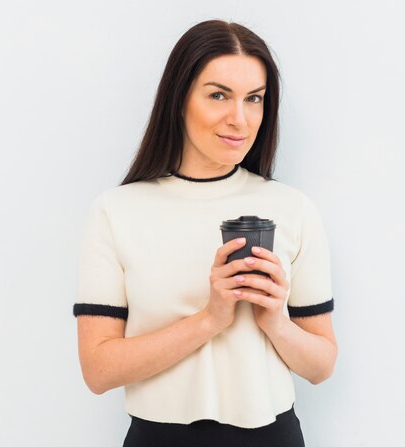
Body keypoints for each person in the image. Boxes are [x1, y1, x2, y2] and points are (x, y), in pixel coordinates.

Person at [72, 19, 337, 446]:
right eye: (218, 95)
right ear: (179, 100)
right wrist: (210, 319)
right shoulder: (116, 211)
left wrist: (275, 321)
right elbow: (98, 371)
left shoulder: (292, 209)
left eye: (254, 99)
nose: (239, 119)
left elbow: (322, 366)